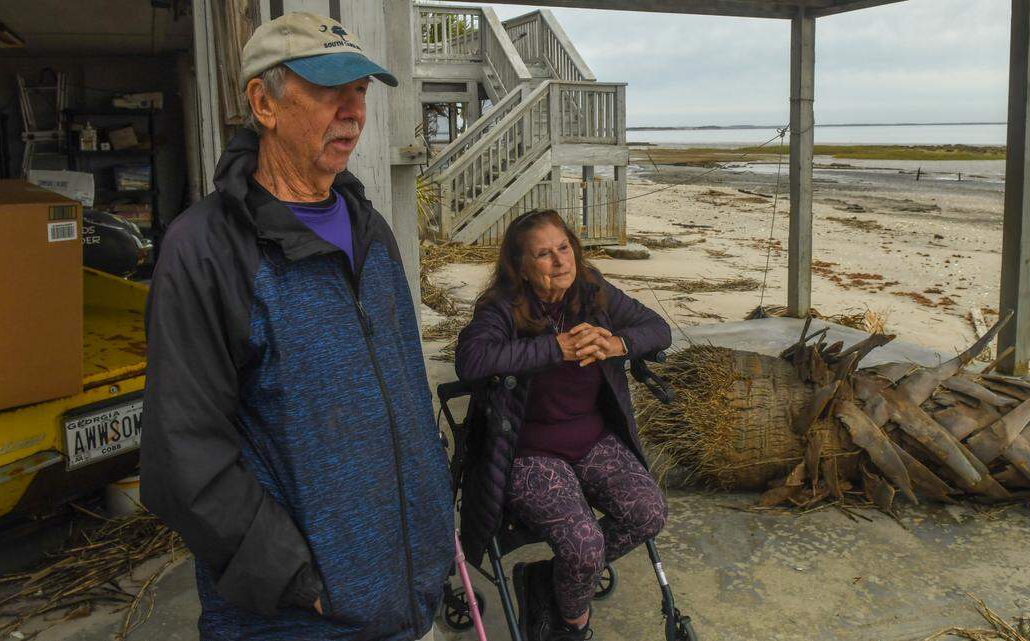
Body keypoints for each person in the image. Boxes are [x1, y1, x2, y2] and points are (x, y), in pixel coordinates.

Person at [140, 13, 452, 641]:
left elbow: (405, 390)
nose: (353, 112)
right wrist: (295, 582)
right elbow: (183, 455)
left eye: (361, 91)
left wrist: (434, 507)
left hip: (403, 594)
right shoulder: (206, 248)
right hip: (295, 618)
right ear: (264, 102)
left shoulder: (372, 230)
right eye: (329, 89)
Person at [454, 210, 672, 641]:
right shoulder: (502, 308)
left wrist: (617, 344)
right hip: (530, 451)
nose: (560, 261)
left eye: (563, 247)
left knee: (649, 512)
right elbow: (471, 360)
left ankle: (547, 580)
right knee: (584, 546)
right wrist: (556, 348)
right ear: (520, 266)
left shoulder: (593, 293)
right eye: (543, 254)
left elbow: (658, 329)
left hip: (592, 439)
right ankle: (573, 626)